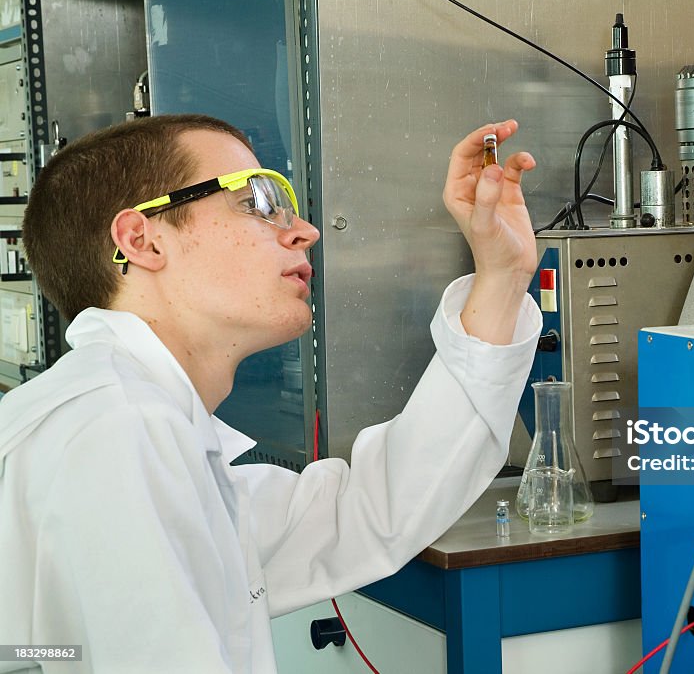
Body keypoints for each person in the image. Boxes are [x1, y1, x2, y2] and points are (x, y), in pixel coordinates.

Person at [0, 114, 541, 673]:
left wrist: (503, 275)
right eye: (258, 201)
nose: (304, 230)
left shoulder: (141, 425)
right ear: (143, 240)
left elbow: (369, 513)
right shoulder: (114, 429)